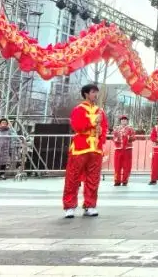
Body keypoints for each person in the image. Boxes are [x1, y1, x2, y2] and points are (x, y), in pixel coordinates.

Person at [63, 84, 107, 218]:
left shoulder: (100, 111)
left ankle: (90, 205)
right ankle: (69, 206)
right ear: (86, 94)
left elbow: (104, 127)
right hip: (80, 148)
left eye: (97, 92)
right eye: (93, 92)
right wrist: (93, 122)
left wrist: (101, 135)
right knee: (73, 177)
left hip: (95, 149)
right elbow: (77, 126)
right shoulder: (79, 109)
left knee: (93, 178)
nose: (96, 95)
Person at [112, 115, 135, 187]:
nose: (124, 121)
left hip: (127, 149)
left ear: (127, 121)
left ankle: (125, 180)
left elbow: (134, 138)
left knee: (127, 166)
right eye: (122, 119)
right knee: (117, 166)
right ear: (120, 121)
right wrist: (118, 139)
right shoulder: (116, 128)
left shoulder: (130, 129)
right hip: (118, 149)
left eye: (125, 120)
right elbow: (114, 137)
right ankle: (117, 181)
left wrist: (128, 138)